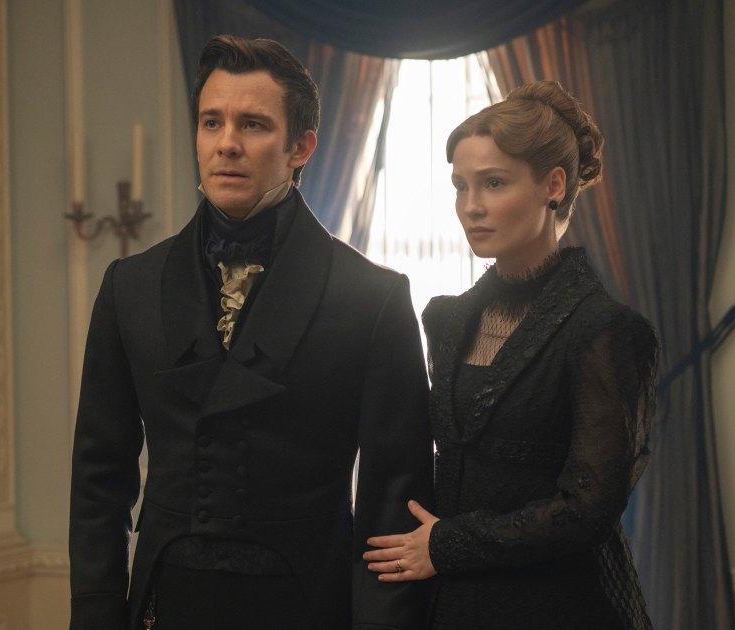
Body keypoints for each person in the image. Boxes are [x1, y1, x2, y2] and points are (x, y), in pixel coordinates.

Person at [69, 35, 433, 630]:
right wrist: (95, 614)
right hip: (166, 603)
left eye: (253, 124)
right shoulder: (128, 285)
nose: (227, 144)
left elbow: (394, 500)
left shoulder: (373, 297)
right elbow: (98, 476)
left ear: (301, 147)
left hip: (308, 605)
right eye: (211, 122)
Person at [363, 80, 659, 629]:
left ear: (553, 185)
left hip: (564, 607)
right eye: (460, 186)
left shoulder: (607, 331)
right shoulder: (445, 319)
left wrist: (448, 544)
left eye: (494, 183)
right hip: (454, 605)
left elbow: (587, 510)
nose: (471, 207)